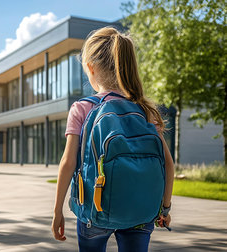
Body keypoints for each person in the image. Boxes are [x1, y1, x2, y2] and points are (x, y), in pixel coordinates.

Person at [51, 27, 175, 251]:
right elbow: (167, 164)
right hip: (141, 212)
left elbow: (68, 163)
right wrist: (164, 209)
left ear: (90, 68)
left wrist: (57, 209)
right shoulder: (145, 110)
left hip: (94, 209)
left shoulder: (83, 108)